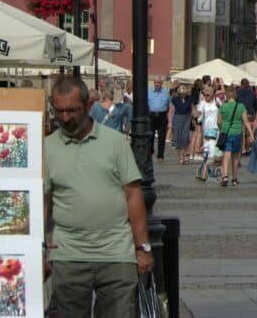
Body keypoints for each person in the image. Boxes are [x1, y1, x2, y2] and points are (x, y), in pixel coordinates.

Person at [45, 76, 153, 317]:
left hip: (116, 251)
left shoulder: (115, 142)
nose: (65, 118)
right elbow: (44, 203)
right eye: (59, 111)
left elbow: (134, 195)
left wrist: (143, 247)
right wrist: (41, 251)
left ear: (87, 105)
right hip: (68, 253)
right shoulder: (47, 148)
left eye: (72, 110)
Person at [217, 85, 252, 187]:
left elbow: (218, 121)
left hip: (226, 133)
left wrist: (222, 129)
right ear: (235, 95)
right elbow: (245, 121)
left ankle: (225, 176)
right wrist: (251, 133)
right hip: (238, 133)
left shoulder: (223, 106)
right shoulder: (241, 107)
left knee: (226, 156)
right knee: (236, 158)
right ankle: (235, 179)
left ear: (227, 95)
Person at [195, 84, 221, 182]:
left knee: (211, 153)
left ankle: (201, 171)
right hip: (207, 130)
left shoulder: (217, 101)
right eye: (204, 94)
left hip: (217, 129)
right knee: (210, 153)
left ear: (213, 95)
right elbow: (199, 116)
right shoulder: (202, 103)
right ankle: (204, 173)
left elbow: (222, 112)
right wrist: (195, 114)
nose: (205, 96)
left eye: (207, 95)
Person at [170, 84, 194, 165]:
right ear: (179, 93)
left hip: (187, 118)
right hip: (178, 118)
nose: (183, 95)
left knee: (185, 137)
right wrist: (186, 103)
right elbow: (182, 108)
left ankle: (186, 155)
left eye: (184, 93)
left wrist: (187, 102)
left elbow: (186, 107)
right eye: (181, 94)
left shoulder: (189, 98)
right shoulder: (175, 99)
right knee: (178, 137)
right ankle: (181, 156)